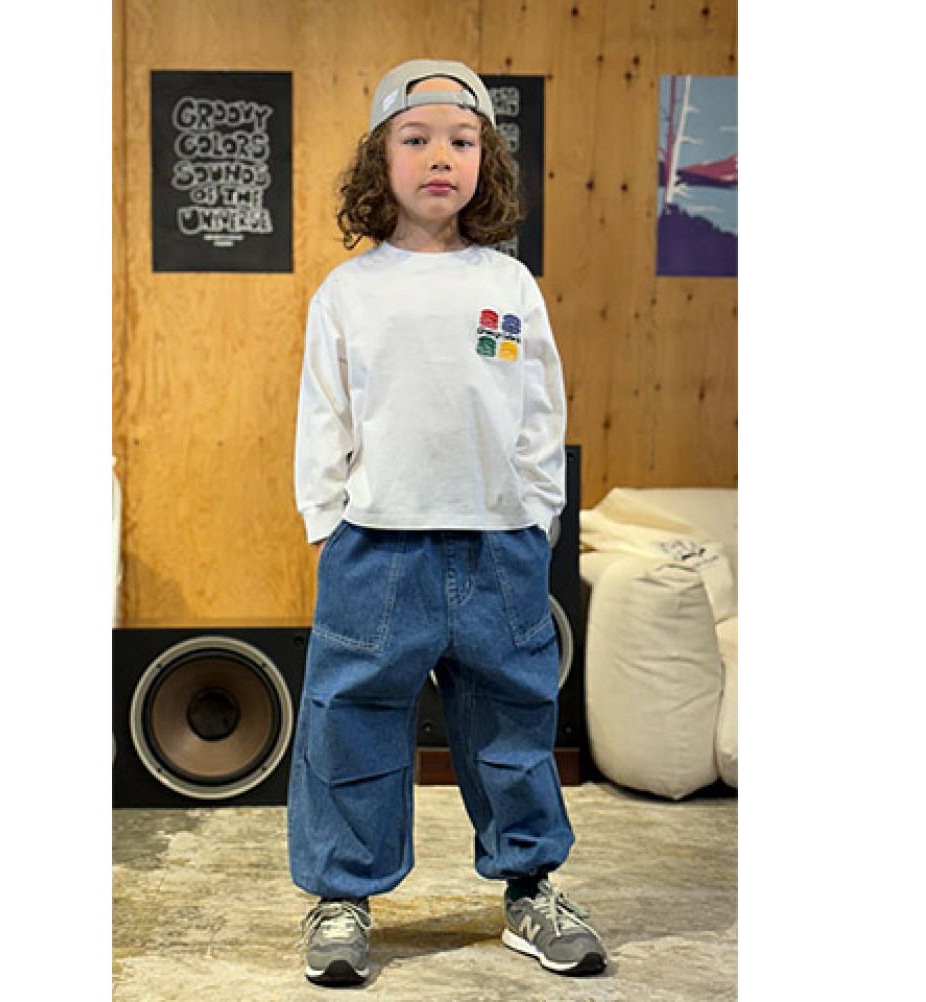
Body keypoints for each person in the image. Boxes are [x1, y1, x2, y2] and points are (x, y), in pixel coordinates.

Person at [289, 58, 608, 987]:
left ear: (485, 163)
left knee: (514, 721)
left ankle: (530, 889)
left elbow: (538, 407)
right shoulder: (349, 291)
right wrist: (326, 525)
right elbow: (324, 416)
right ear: (379, 161)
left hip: (499, 544)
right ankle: (342, 898)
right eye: (417, 139)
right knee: (351, 719)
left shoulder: (508, 284)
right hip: (376, 547)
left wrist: (540, 513)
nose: (441, 157)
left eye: (462, 142)